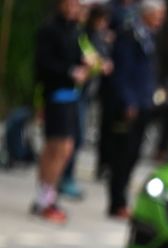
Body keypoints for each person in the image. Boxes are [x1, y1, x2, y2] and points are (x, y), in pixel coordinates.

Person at [107, 0, 165, 219]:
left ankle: (122, 200)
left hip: (144, 102)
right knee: (123, 155)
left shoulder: (148, 36)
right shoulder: (130, 35)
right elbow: (122, 71)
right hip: (130, 104)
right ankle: (116, 201)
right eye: (158, 14)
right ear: (146, 14)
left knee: (134, 154)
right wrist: (128, 101)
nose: (160, 19)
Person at [32, 0, 89, 223]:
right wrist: (70, 71)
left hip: (71, 95)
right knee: (58, 147)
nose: (75, 8)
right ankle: (46, 199)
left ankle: (45, 196)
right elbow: (43, 64)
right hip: (55, 94)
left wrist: (86, 64)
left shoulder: (74, 29)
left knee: (63, 148)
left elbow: (77, 57)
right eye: (71, 3)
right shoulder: (50, 29)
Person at [60, 1, 114, 200]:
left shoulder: (98, 36)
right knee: (72, 137)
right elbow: (85, 59)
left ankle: (66, 176)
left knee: (77, 137)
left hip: (87, 93)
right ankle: (63, 177)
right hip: (75, 93)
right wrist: (99, 65)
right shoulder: (81, 34)